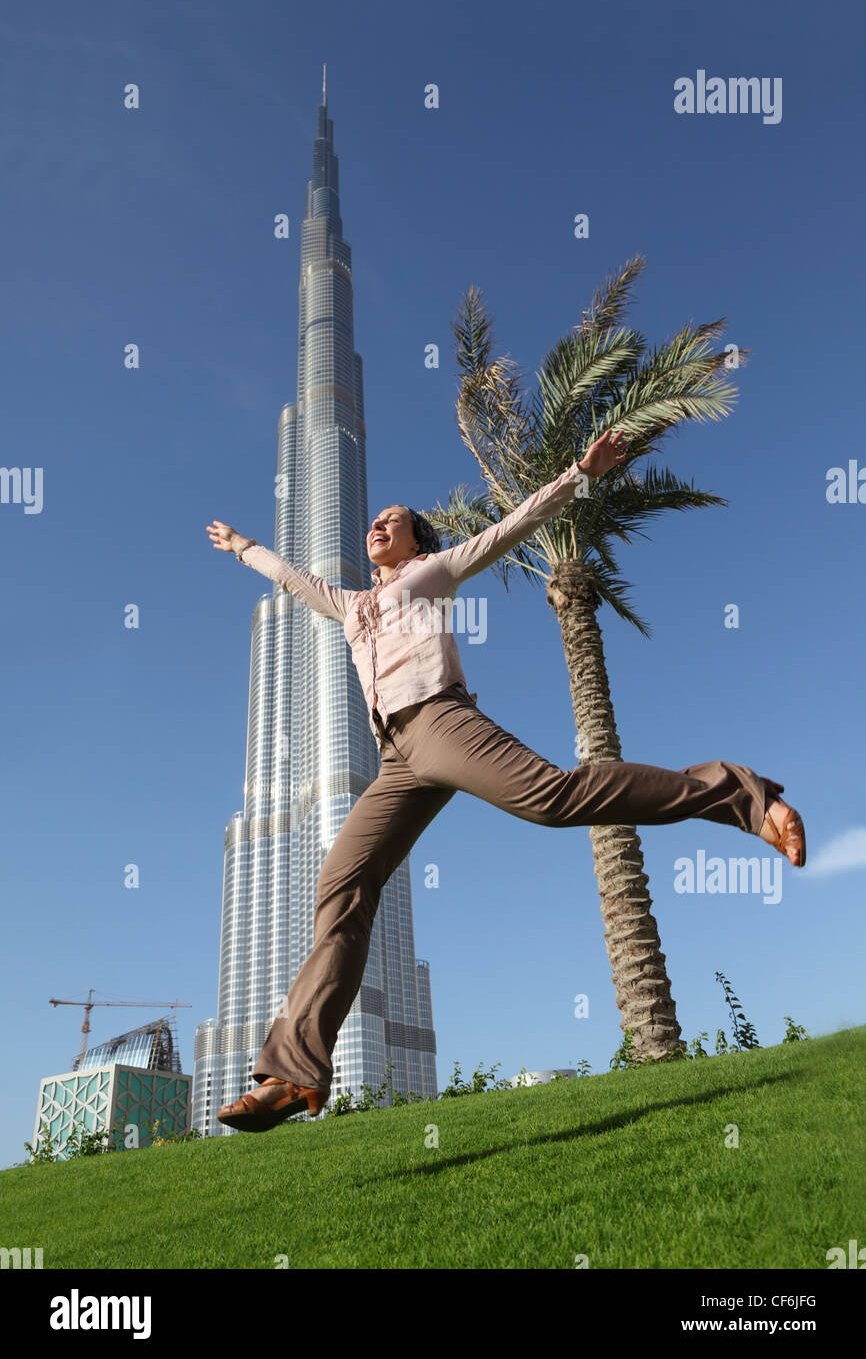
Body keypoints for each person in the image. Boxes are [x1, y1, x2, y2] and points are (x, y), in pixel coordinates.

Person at [206, 429, 805, 1132]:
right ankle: (294, 1074)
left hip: (441, 723)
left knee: (554, 798)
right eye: (374, 521)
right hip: (397, 758)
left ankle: (741, 794)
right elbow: (294, 580)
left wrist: (581, 475)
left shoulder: (433, 573)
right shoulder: (351, 607)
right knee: (341, 883)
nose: (377, 525)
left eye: (391, 520)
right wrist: (243, 545)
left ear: (417, 542)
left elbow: (516, 523)